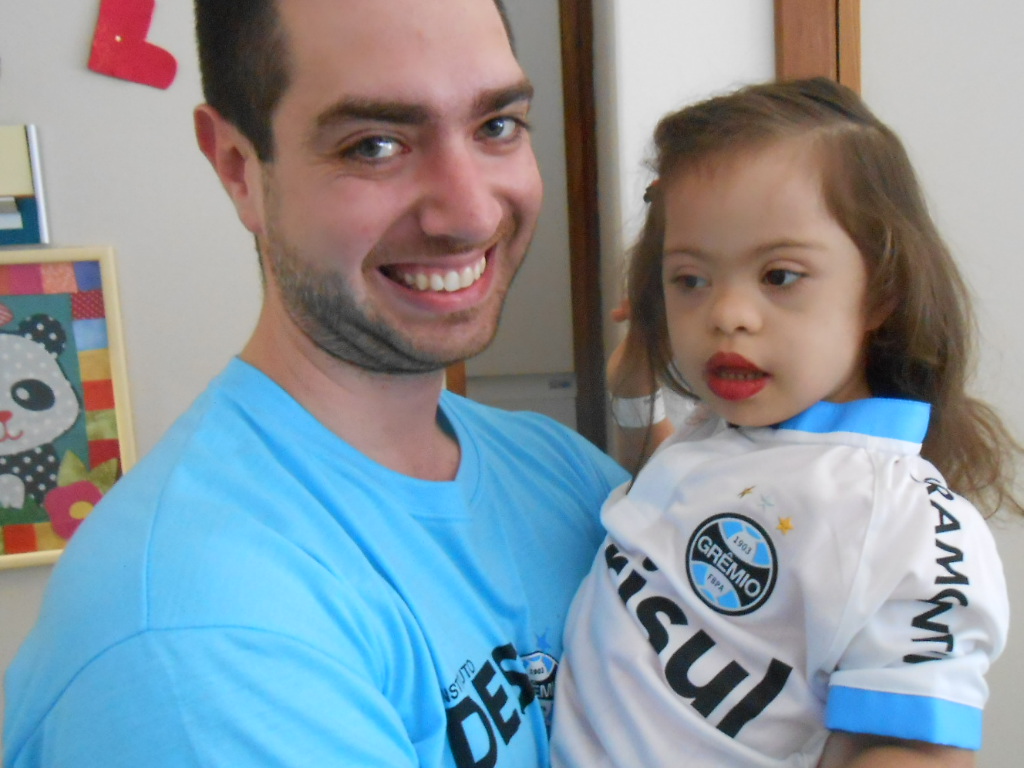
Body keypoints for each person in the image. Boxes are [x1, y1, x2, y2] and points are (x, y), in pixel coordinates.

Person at [2, 1, 628, 766]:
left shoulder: (560, 472)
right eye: (376, 145)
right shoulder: (199, 635)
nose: (468, 212)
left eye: (497, 125)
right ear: (239, 168)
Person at [550, 78, 1021, 768]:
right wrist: (634, 386)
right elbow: (655, 499)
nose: (726, 314)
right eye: (690, 280)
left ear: (882, 289)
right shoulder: (726, 434)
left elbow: (916, 749)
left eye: (779, 276)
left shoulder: (903, 521)